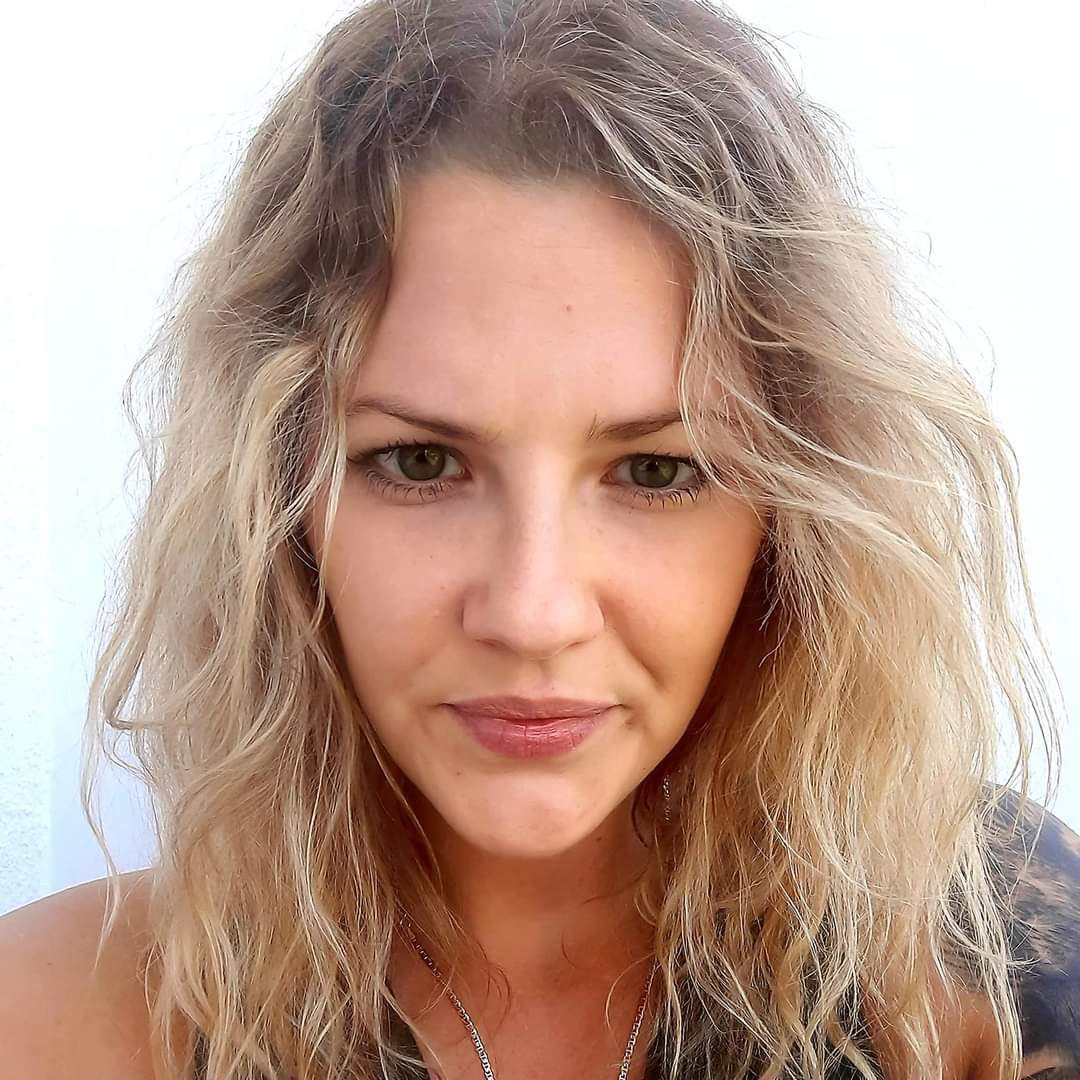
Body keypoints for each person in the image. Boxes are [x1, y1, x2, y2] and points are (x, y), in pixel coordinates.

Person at [1, 0, 1077, 1077]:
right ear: (274, 497)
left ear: (795, 516)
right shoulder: (55, 1023)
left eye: (657, 471)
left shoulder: (984, 958)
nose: (532, 613)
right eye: (418, 462)